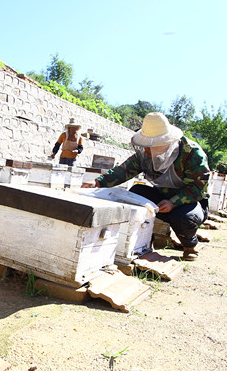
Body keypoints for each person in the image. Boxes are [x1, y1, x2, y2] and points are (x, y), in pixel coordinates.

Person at [81, 112, 210, 261]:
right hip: (162, 197)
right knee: (135, 193)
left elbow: (198, 188)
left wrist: (173, 202)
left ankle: (190, 246)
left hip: (190, 202)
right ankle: (144, 241)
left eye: (152, 146)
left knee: (184, 218)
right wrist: (98, 182)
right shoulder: (145, 154)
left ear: (166, 142)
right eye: (146, 145)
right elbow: (124, 170)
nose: (147, 150)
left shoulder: (193, 154)